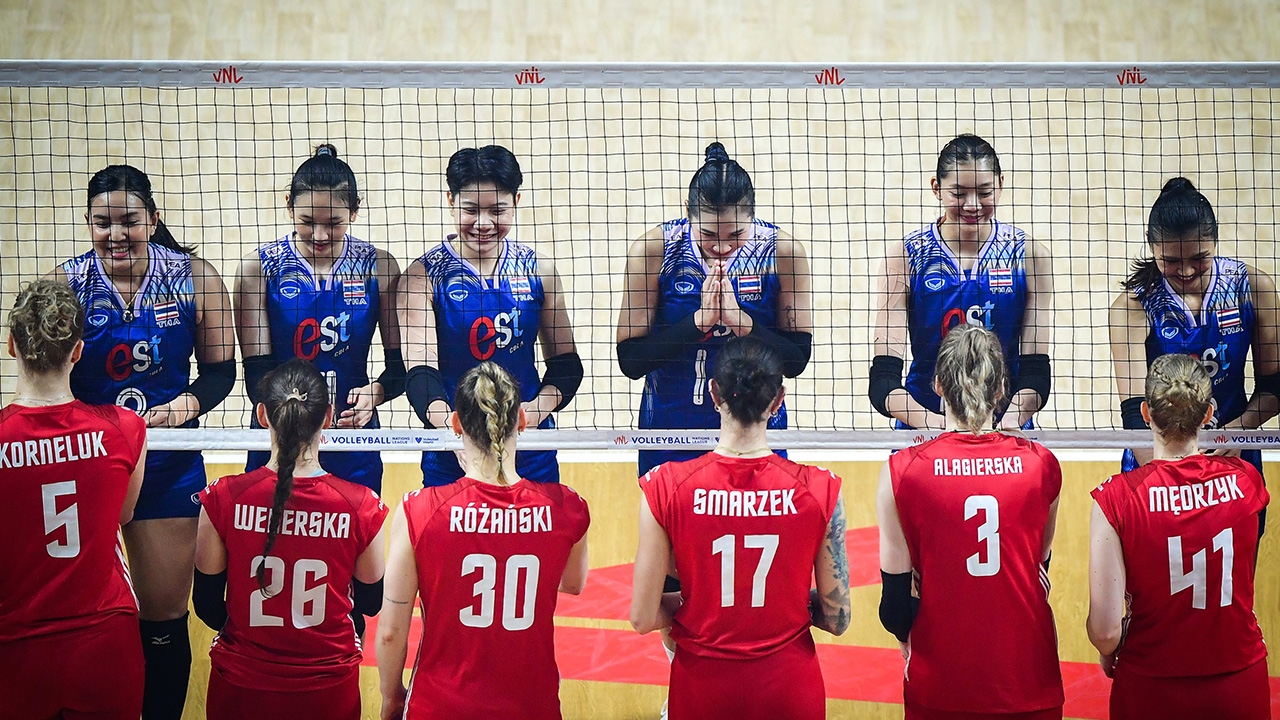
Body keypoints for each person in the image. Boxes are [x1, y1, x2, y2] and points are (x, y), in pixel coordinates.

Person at [46, 164, 236, 720]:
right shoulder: (68, 284)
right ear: (88, 223)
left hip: (166, 464)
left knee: (163, 621)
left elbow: (221, 372)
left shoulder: (194, 277)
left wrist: (181, 409)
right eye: (102, 223)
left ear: (153, 220)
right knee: (79, 617)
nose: (116, 234)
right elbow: (48, 377)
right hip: (89, 465)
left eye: (128, 221)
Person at [630, 335, 849, 720]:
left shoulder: (665, 488)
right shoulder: (820, 491)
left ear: (714, 394)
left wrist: (702, 601)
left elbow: (642, 617)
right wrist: (783, 600)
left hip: (703, 689)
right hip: (788, 688)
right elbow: (838, 618)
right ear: (777, 401)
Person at [378, 362, 590, 720]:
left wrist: (391, 697)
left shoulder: (419, 511)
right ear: (522, 420)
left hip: (440, 706)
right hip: (531, 707)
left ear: (456, 423)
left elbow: (390, 632)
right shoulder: (568, 508)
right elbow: (572, 583)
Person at [877, 324, 1063, 719]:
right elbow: (1040, 566)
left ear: (938, 386)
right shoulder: (1041, 465)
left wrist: (907, 642)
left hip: (941, 683)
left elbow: (894, 606)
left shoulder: (903, 471)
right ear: (1001, 390)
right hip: (1027, 680)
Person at [193, 358, 388, 720]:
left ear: (262, 415)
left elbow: (206, 605)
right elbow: (371, 603)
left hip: (242, 686)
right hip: (327, 690)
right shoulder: (362, 506)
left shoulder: (222, 498)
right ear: (328, 417)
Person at [1089, 353, 1269, 720]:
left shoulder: (1116, 498)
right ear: (1207, 414)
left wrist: (1109, 651)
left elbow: (1106, 632)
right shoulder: (1246, 480)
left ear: (1146, 413)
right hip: (1238, 681)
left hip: (1150, 682)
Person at [617, 141, 813, 477]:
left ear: (753, 214)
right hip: (671, 436)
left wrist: (742, 324)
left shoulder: (781, 252)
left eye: (736, 233)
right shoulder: (654, 251)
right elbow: (631, 361)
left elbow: (796, 360)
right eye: (707, 233)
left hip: (756, 436)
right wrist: (698, 322)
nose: (722, 246)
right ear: (687, 212)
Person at [0, 280, 147, 719]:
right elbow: (123, 514)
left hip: (17, 646)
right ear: (78, 351)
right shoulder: (124, 428)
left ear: (12, 346)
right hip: (104, 644)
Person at [400, 145, 581, 486]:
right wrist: (454, 430)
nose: (483, 223)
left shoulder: (538, 269)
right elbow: (421, 376)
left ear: (516, 201)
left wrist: (531, 414)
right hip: (453, 449)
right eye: (470, 210)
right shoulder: (422, 276)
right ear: (451, 201)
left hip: (529, 447)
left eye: (497, 210)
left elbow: (567, 366)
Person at [236, 144, 404, 493]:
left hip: (351, 437)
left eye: (333, 223)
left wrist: (375, 394)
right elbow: (256, 374)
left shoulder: (379, 266)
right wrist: (293, 416)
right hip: (279, 437)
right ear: (289, 206)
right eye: (308, 222)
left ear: (354, 211)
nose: (320, 235)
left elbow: (399, 369)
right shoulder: (259, 267)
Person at [871, 133, 1052, 430]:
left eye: (984, 192)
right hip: (925, 423)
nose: (972, 205)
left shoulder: (1029, 256)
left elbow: (1036, 375)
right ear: (936, 188)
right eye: (958, 193)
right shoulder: (905, 256)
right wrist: (940, 427)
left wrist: (1006, 423)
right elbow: (883, 381)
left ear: (1001, 185)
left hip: (1004, 424)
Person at [1110, 176, 1280, 472]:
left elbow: (1273, 387)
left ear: (1214, 241)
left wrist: (1238, 429)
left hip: (1232, 450)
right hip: (1157, 457)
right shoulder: (1133, 306)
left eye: (1199, 258)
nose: (1186, 270)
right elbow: (1135, 413)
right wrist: (1164, 472)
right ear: (1151, 245)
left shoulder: (1252, 288)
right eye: (1171, 260)